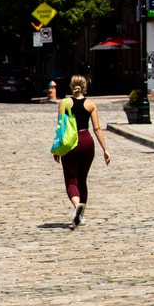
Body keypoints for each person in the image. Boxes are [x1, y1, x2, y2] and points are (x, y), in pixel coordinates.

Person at [53, 74, 110, 228]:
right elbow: (97, 128)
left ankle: (77, 205)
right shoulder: (91, 104)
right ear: (85, 87)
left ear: (71, 86)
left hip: (70, 143)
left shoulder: (64, 103)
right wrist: (105, 149)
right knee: (82, 179)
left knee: (71, 180)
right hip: (86, 142)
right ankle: (82, 215)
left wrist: (57, 149)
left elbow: (61, 127)